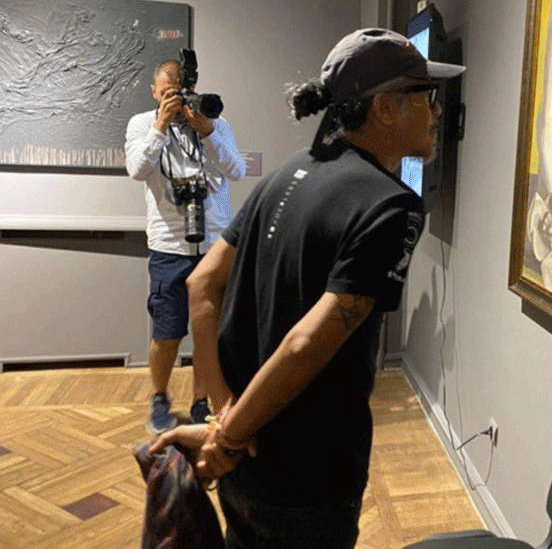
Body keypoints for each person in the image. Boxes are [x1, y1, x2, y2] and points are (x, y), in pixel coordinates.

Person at [150, 28, 465, 549]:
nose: (436, 111)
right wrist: (228, 435)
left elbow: (202, 284)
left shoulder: (288, 171)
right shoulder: (391, 206)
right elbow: (304, 344)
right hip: (308, 473)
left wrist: (226, 418)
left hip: (246, 453)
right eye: (426, 95)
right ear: (385, 107)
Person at [126, 59, 246, 434]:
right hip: (169, 245)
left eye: (179, 93)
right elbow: (137, 169)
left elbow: (237, 170)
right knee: (167, 332)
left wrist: (207, 132)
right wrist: (161, 126)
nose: (174, 101)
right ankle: (159, 397)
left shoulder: (215, 123)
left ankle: (201, 400)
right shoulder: (142, 124)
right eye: (166, 94)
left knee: (209, 333)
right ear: (154, 93)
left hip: (215, 244)